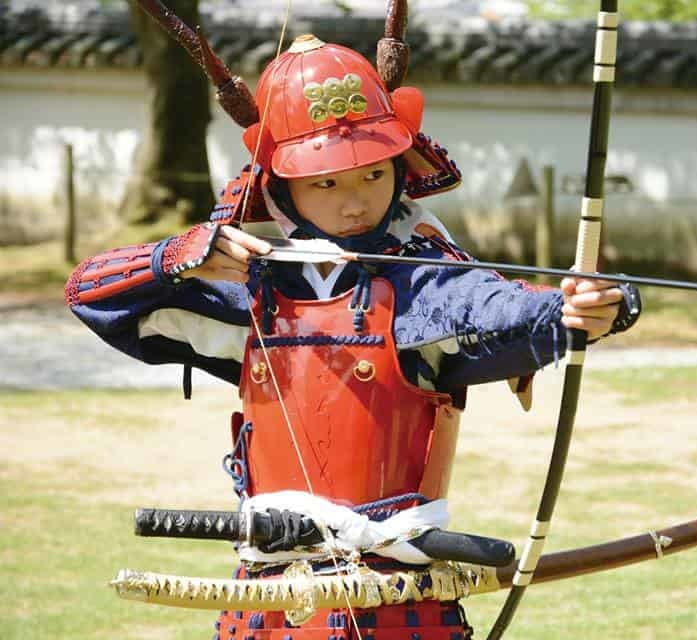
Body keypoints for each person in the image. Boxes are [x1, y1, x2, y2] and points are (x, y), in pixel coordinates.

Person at [65, 34, 640, 640]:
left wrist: (588, 308)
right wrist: (177, 256)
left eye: (372, 172)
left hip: (399, 602)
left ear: (400, 167)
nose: (356, 201)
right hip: (268, 600)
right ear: (281, 189)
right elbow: (88, 294)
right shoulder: (251, 287)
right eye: (326, 183)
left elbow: (509, 310)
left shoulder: (423, 278)